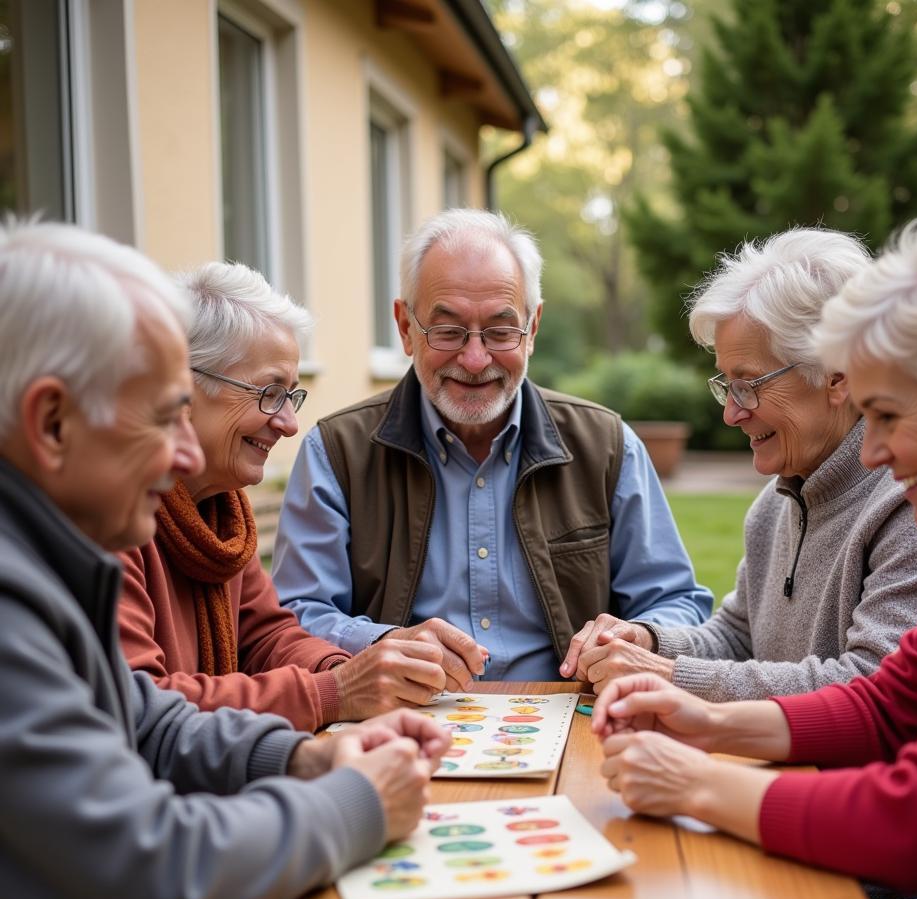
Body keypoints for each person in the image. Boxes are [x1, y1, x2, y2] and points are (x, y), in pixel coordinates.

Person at [0, 220, 449, 899]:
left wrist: (305, 759)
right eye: (160, 416)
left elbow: (146, 724)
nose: (180, 457)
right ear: (52, 423)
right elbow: (149, 874)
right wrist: (355, 798)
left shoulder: (56, 549)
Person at [592, 213, 917, 899]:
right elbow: (888, 701)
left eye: (890, 416)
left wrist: (697, 777)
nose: (870, 453)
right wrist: (704, 719)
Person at [272, 208, 712, 687]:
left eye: (501, 331)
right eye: (447, 330)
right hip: (399, 721)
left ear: (534, 328)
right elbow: (295, 615)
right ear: (404, 328)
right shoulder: (337, 452)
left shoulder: (606, 446)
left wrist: (640, 635)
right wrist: (382, 645)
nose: (476, 358)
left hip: (573, 719)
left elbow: (678, 603)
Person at [563, 228, 917, 700]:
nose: (731, 412)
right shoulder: (775, 504)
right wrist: (647, 642)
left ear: (838, 377)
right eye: (726, 385)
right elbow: (737, 638)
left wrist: (668, 677)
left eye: (749, 384)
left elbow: (873, 682)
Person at [118, 262, 453, 728]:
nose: (289, 423)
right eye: (270, 392)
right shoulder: (110, 516)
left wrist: (352, 673)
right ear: (183, 385)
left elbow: (266, 636)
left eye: (291, 397)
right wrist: (332, 692)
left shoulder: (220, 512)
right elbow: (140, 704)